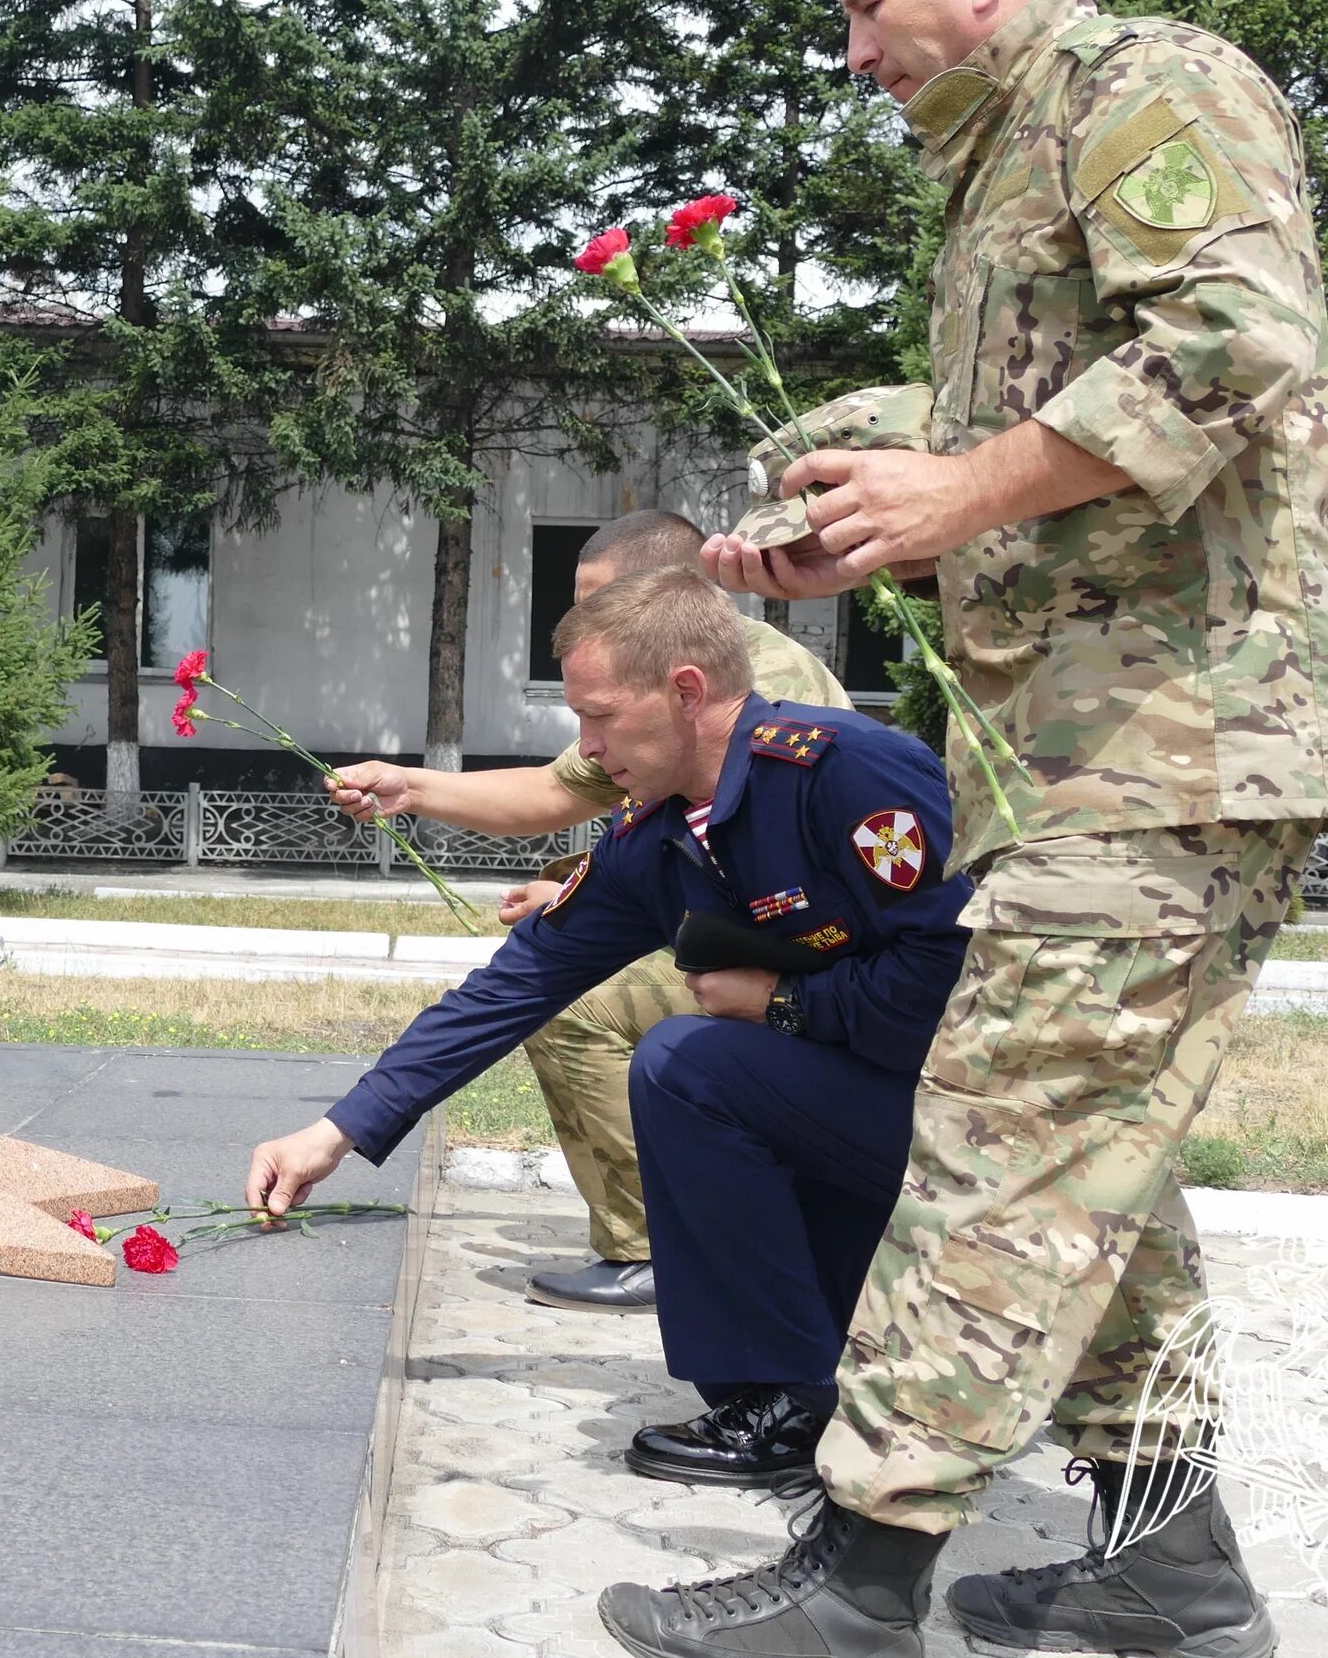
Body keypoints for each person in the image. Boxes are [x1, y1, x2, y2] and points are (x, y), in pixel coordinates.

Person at [595, 0, 1328, 1658]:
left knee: (996, 1144)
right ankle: (1169, 1563)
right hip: (1082, 764)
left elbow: (1237, 342)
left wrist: (957, 487)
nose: (855, 47)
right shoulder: (1005, 165)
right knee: (1097, 1180)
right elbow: (1006, 426)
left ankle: (862, 1582)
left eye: (870, 5)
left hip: (1180, 751)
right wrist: (858, 493)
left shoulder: (1142, 84)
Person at [248, 565, 973, 1488]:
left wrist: (784, 1004)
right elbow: (513, 988)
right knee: (707, 1066)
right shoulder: (659, 839)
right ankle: (783, 1392)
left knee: (689, 1063)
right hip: (854, 1111)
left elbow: (955, 976)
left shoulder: (843, 771)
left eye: (598, 717)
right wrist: (335, 1133)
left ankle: (785, 1401)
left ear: (685, 692)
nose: (584, 749)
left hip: (966, 1126)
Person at [324, 511, 851, 1312]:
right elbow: (563, 794)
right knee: (563, 989)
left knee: (595, 1017)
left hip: (835, 982)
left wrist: (649, 909)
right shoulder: (647, 705)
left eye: (605, 607)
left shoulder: (774, 695)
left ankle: (665, 1251)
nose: (591, 738)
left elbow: (777, 872)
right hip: (764, 954)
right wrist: (415, 788)